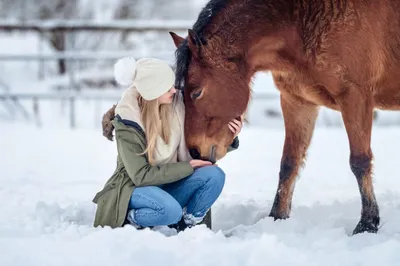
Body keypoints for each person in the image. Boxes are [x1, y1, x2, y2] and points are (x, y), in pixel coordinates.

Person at [92, 57, 242, 232]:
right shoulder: (128, 122)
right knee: (169, 210)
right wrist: (188, 167)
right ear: (152, 92)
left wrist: (228, 136)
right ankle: (131, 218)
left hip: (167, 184)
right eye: (167, 87)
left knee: (214, 175)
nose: (174, 90)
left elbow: (199, 147)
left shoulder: (177, 107)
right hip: (133, 189)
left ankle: (186, 224)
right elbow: (141, 176)